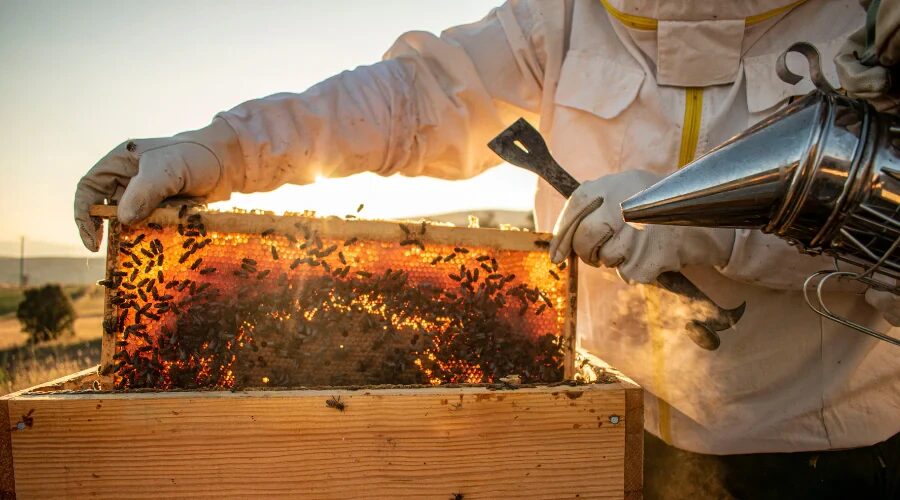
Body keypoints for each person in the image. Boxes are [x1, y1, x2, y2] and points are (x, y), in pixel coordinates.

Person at [74, 1, 900, 497]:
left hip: (823, 453)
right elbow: (414, 98)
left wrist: (707, 220)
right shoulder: (568, 17)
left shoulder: (867, 24)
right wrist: (221, 149)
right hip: (599, 432)